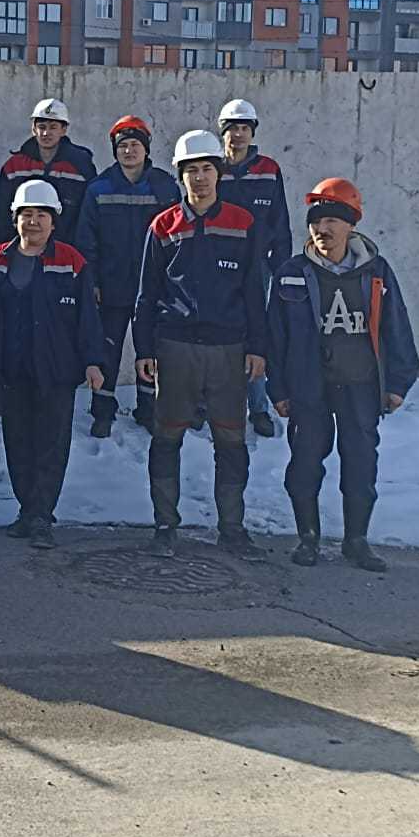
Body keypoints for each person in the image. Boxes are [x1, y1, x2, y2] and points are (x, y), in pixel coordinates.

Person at [268, 178, 419, 573]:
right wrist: (278, 388)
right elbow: (275, 337)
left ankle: (357, 542)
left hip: (360, 385)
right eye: (316, 221)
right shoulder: (292, 272)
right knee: (304, 464)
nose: (323, 229)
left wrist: (398, 383)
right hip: (309, 387)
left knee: (360, 464)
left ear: (351, 225)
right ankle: (308, 539)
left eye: (332, 221)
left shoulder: (376, 271)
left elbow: (397, 326)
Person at [133, 129, 268, 560]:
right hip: (175, 347)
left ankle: (232, 528)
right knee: (166, 437)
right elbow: (147, 294)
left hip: (229, 349)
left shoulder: (243, 223)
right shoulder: (163, 226)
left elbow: (255, 291)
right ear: (180, 176)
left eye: (207, 168)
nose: (200, 178)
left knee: (231, 441)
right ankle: (164, 527)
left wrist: (258, 347)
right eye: (191, 170)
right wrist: (144, 350)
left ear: (219, 173)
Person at [0, 181, 106, 550]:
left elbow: (88, 318)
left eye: (42, 215)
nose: (34, 222)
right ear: (15, 219)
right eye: (27, 214)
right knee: (18, 443)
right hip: (11, 369)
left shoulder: (71, 261)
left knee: (51, 446)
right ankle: (27, 509)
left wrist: (93, 361)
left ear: (54, 221)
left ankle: (42, 515)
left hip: (56, 371)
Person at [0, 99, 97, 420]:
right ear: (33, 128)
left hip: (61, 264)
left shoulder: (80, 165)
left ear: (64, 129)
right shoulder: (14, 165)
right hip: (18, 258)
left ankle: (53, 396)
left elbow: (87, 219)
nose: (47, 132)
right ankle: (1, 395)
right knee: (7, 329)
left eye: (53, 126)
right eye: (41, 126)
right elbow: (1, 216)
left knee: (54, 334)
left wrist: (80, 264)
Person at [77, 116, 181, 438]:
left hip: (153, 288)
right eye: (123, 146)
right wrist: (93, 282)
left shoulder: (164, 186)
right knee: (107, 350)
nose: (129, 151)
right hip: (111, 287)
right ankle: (102, 411)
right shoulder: (99, 188)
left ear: (146, 149)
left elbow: (177, 237)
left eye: (135, 145)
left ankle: (149, 410)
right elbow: (86, 241)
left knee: (150, 350)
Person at [215, 98, 292, 439]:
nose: (238, 135)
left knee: (255, 333)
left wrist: (281, 268)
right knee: (212, 330)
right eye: (232, 129)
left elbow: (279, 220)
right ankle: (205, 403)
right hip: (215, 265)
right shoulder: (211, 167)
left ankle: (257, 407)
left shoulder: (268, 169)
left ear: (253, 132)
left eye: (244, 128)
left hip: (257, 266)